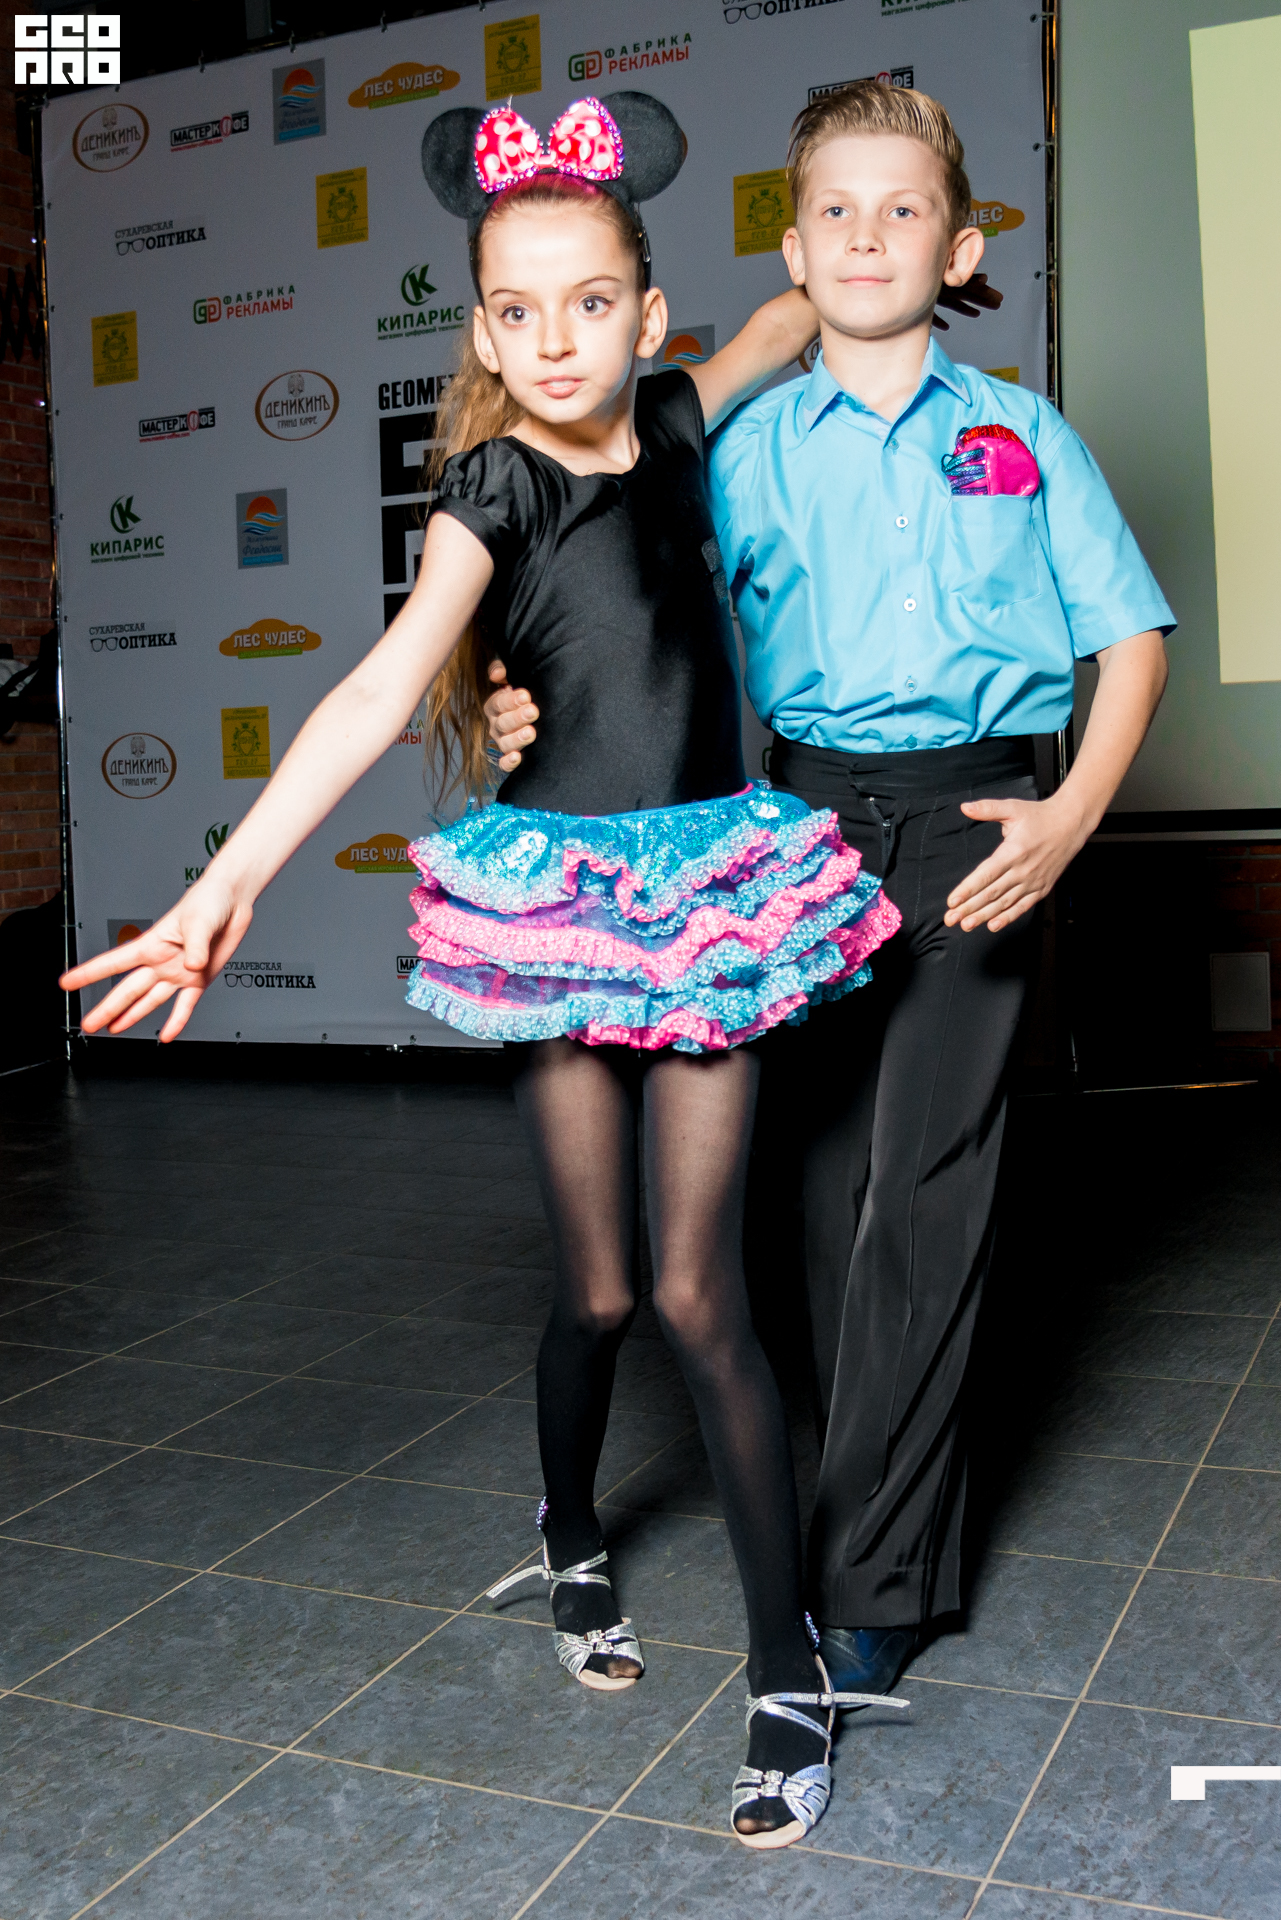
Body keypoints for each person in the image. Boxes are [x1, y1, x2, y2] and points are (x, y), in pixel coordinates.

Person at [61, 91, 908, 1849]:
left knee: (702, 1299)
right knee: (596, 1295)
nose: (555, 340)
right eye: (516, 311)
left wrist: (889, 260)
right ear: (479, 329)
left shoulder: (676, 413)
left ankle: (786, 1673)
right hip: (556, 909)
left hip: (707, 901)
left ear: (643, 310)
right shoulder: (490, 484)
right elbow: (380, 688)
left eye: (590, 302)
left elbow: (786, 315)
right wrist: (226, 886)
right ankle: (570, 1534)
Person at [483, 81, 1174, 1704]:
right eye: (836, 212)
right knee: (810, 1193)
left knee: (921, 1195)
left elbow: (1128, 636)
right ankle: (810, 1508)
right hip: (789, 831)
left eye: (903, 209)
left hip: (980, 823)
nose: (869, 235)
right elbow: (621, 616)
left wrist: (1070, 815)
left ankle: (875, 1579)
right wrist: (519, 703)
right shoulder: (730, 450)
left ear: (961, 248)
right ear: (792, 250)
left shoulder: (1024, 434)